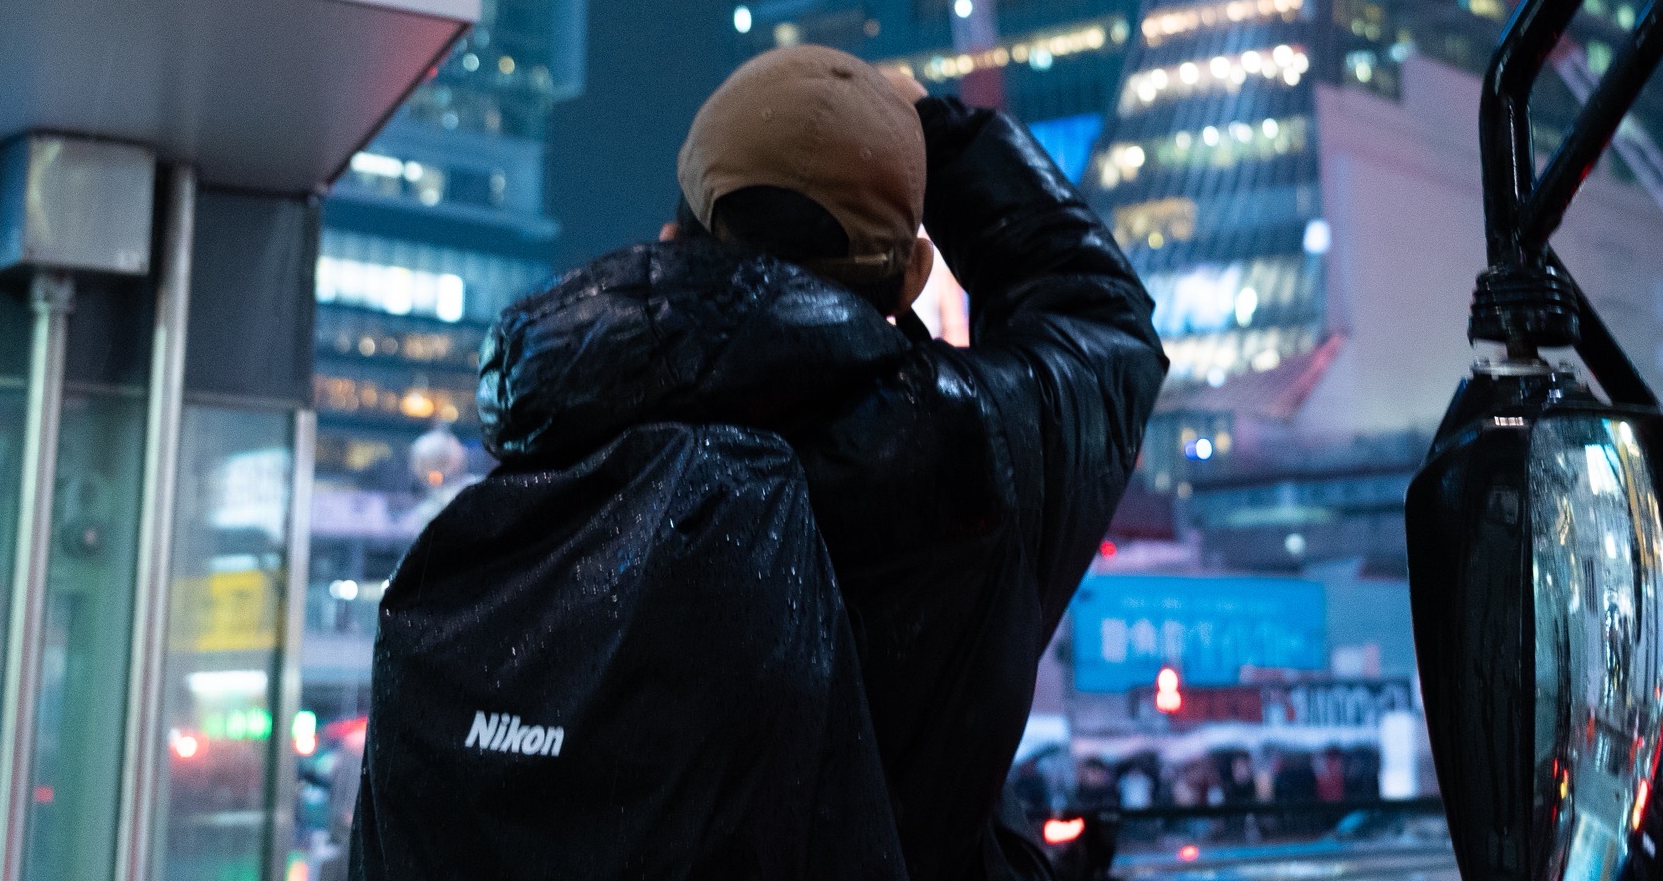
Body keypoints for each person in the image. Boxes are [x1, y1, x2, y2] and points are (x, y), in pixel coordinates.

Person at [356, 46, 1166, 880]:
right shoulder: (973, 457)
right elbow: (1104, 320)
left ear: (674, 235)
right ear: (911, 280)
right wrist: (936, 130)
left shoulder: (547, 441)